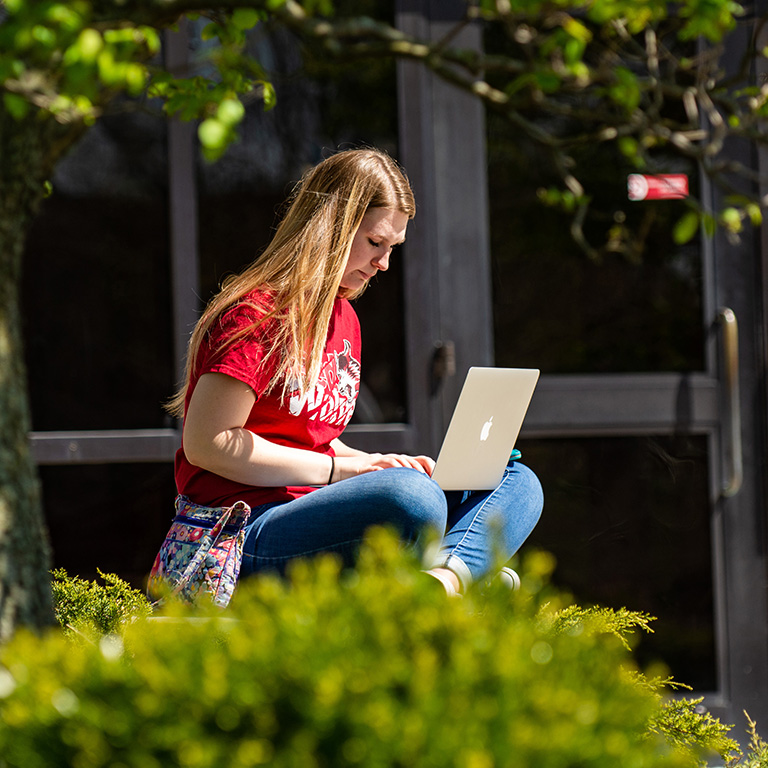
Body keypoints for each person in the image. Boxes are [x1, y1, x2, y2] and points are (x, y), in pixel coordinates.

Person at [168, 148, 543, 596]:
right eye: (374, 242)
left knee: (513, 480)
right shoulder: (256, 315)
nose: (384, 263)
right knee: (409, 499)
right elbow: (208, 443)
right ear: (330, 226)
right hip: (242, 533)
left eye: (393, 248)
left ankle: (444, 583)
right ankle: (465, 570)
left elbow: (310, 435)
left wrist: (369, 463)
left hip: (317, 512)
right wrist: (347, 473)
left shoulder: (343, 318)